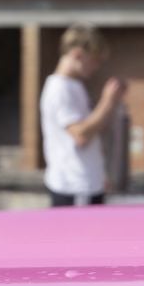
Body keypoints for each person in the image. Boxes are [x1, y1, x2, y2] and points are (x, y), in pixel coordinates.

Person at [41, 25, 125, 207]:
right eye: (94, 60)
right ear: (78, 54)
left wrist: (100, 173)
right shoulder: (59, 88)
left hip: (85, 183)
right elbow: (80, 135)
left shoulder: (74, 86)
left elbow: (90, 132)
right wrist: (107, 101)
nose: (96, 67)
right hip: (74, 186)